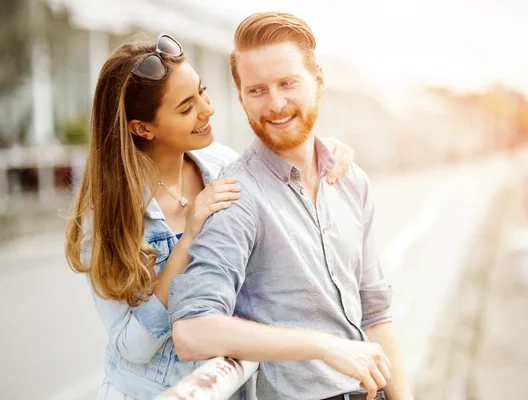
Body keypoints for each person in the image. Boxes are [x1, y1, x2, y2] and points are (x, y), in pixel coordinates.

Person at [64, 33, 357, 400]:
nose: (208, 110)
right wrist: (188, 239)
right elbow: (130, 346)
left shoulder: (222, 165)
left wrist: (320, 151)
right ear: (143, 128)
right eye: (186, 108)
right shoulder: (106, 217)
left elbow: (283, 189)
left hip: (227, 386)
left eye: (202, 92)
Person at [168, 12, 415, 400]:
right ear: (240, 98)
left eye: (287, 83)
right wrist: (324, 345)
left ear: (318, 82)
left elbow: (376, 313)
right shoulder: (236, 197)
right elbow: (191, 330)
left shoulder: (352, 182)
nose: (276, 104)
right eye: (257, 90)